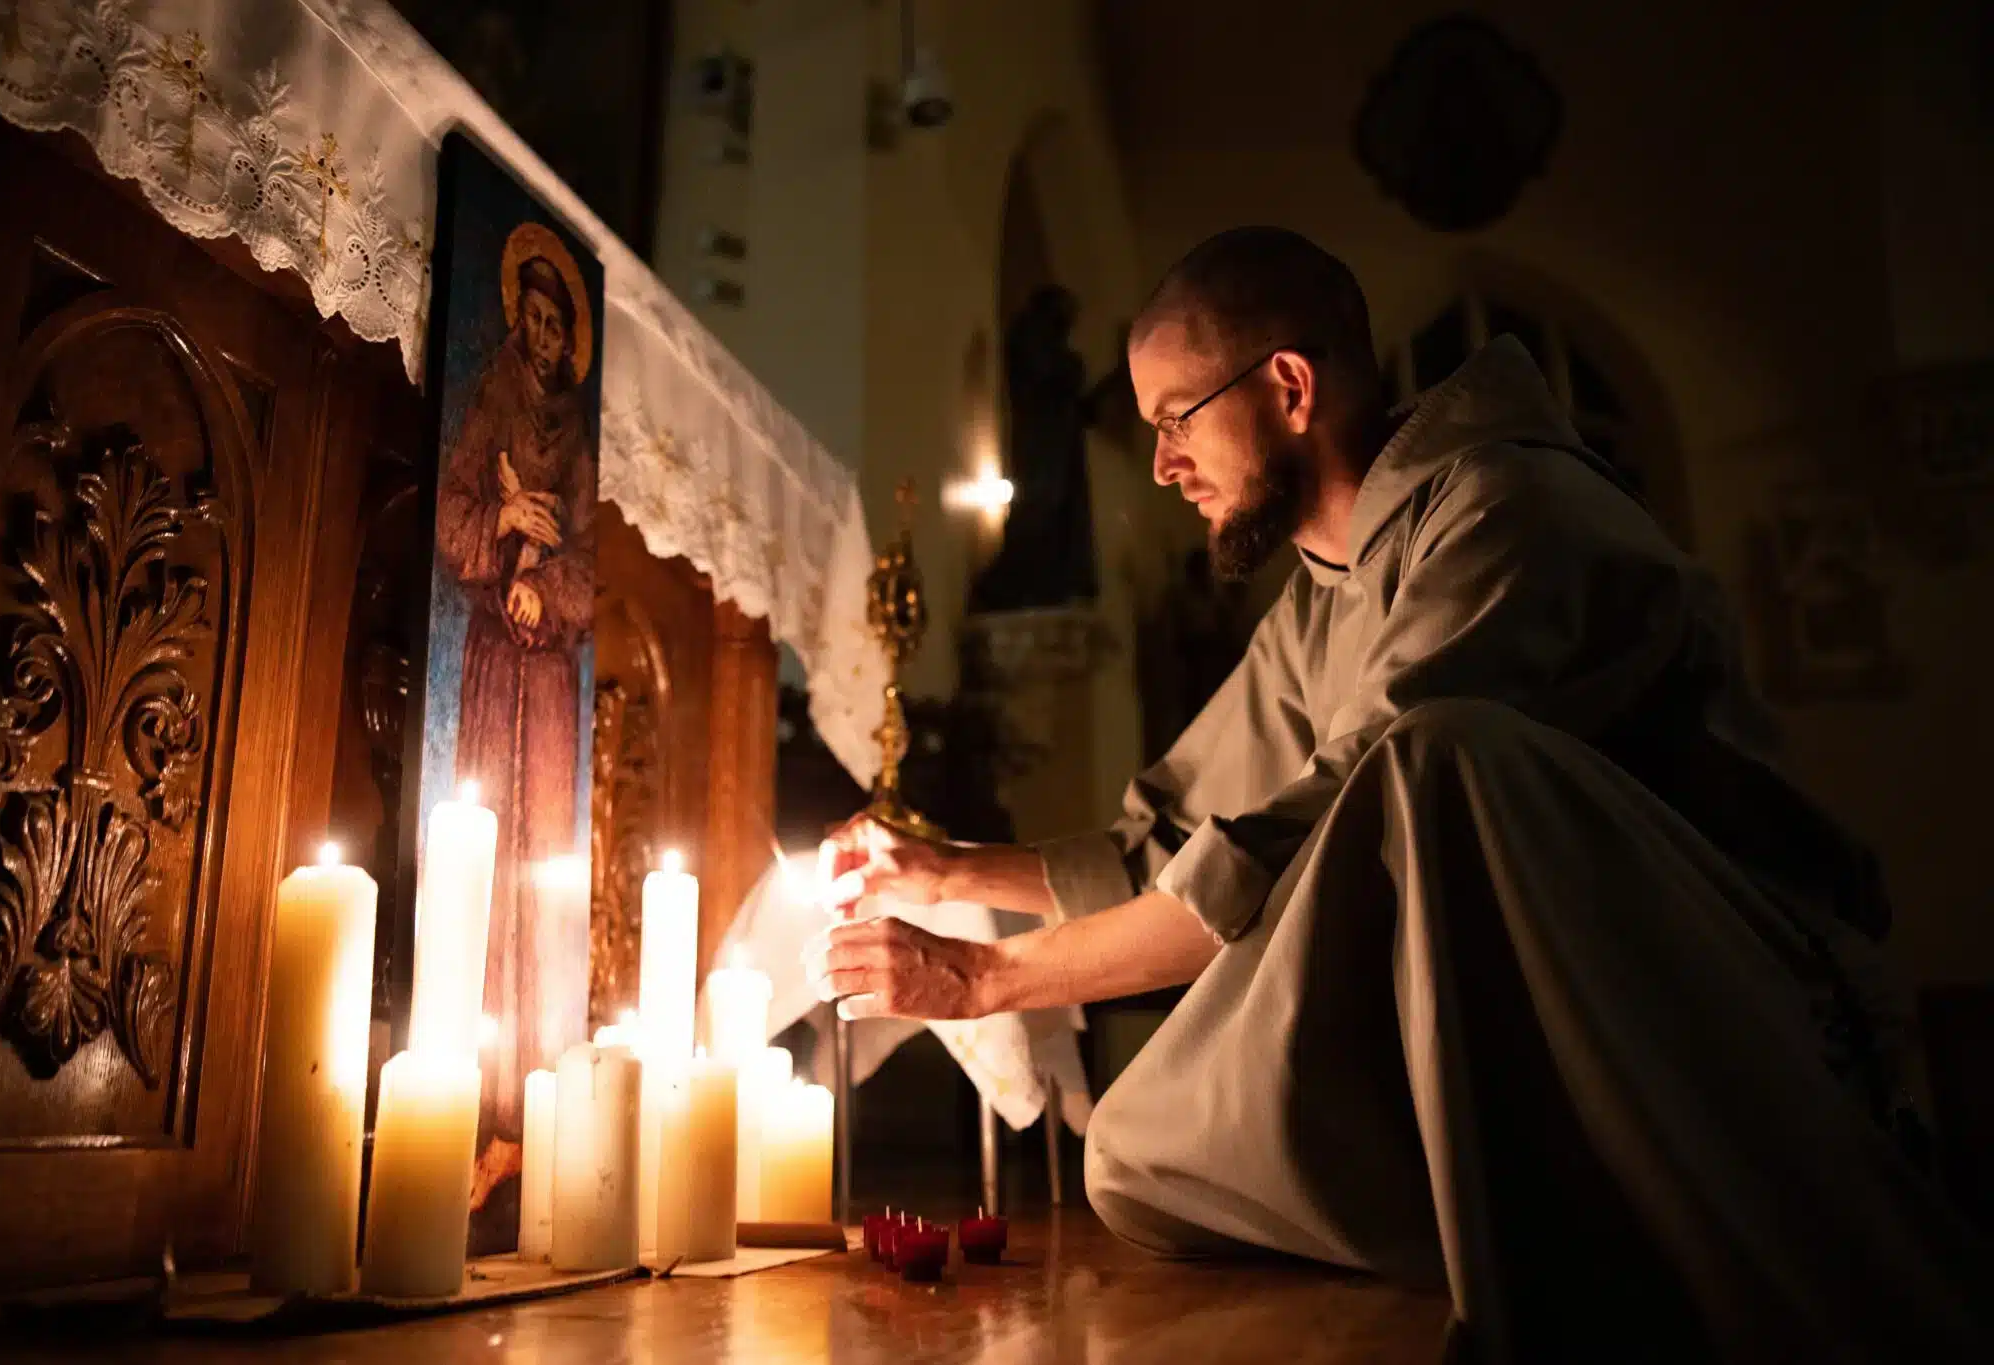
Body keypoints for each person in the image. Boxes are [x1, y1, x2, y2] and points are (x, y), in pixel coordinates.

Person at [810, 228, 1991, 1362]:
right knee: (1137, 1155)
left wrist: (983, 978)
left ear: (1287, 387)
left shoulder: (1510, 509)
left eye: (1175, 419)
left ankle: (1564, 1278)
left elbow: (1332, 812)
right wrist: (947, 871)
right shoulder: (1322, 592)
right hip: (1507, 1010)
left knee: (1438, 756)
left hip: (1717, 993)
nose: (1161, 465)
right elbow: (1178, 839)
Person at [436, 250, 596, 1214]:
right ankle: (483, 1104)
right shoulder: (493, 398)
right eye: (530, 318)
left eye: (555, 322)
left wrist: (549, 585)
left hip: (552, 671)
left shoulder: (577, 428)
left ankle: (533, 1111)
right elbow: (453, 512)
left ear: (571, 335)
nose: (541, 336)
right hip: (497, 665)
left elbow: (592, 557)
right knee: (490, 865)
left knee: (545, 870)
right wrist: (503, 519)